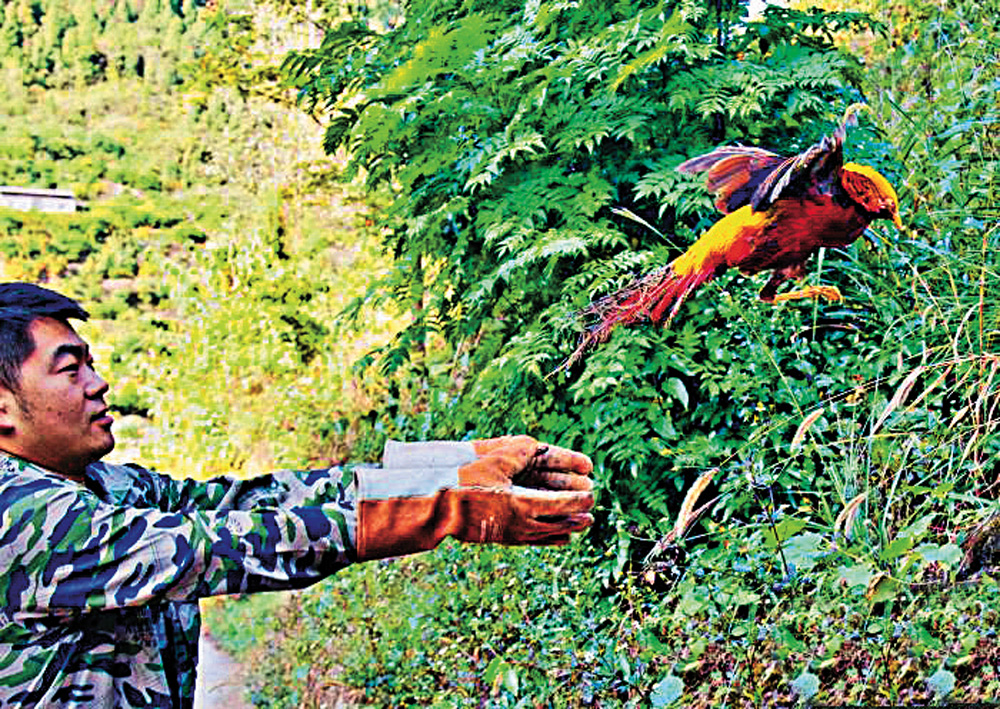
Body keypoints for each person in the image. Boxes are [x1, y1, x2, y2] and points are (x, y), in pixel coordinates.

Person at [0, 282, 595, 708]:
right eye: (70, 369)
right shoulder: (21, 514)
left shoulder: (106, 486)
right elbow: (216, 546)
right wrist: (447, 509)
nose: (99, 383)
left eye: (92, 363)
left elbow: (253, 502)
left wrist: (454, 466)